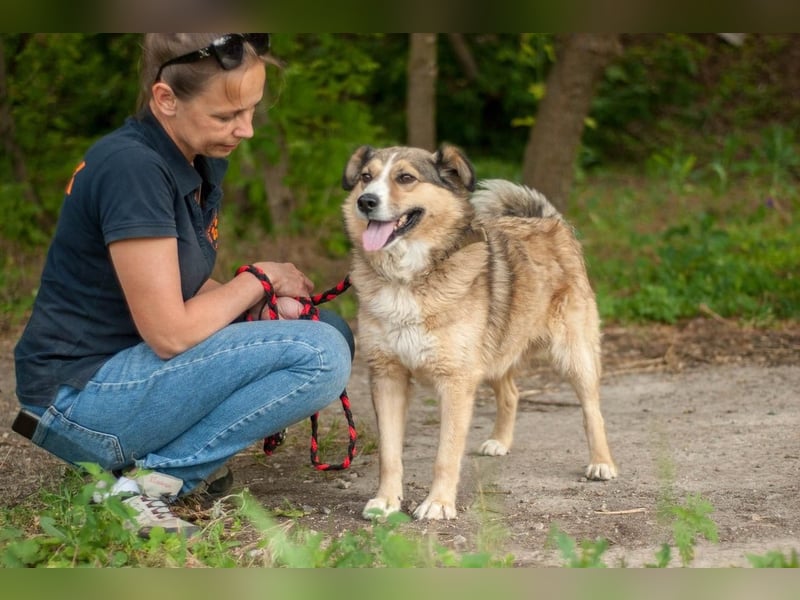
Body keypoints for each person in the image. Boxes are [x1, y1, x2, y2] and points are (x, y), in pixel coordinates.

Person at [13, 33, 354, 538]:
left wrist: (257, 308)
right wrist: (259, 278)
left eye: (252, 110)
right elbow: (170, 333)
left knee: (328, 329)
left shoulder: (195, 157)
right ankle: (151, 484)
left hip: (132, 373)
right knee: (319, 353)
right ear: (165, 99)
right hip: (79, 400)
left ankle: (150, 468)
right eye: (227, 116)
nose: (247, 130)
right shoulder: (132, 168)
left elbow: (185, 286)